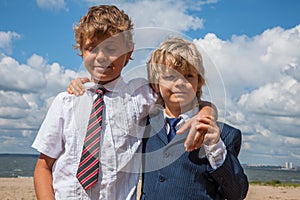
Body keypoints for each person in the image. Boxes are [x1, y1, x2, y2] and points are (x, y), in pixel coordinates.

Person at [32, 5, 216, 200]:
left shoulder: (140, 95)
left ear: (129, 53)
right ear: (81, 50)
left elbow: (181, 95)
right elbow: (43, 167)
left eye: (111, 49)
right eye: (91, 48)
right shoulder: (66, 102)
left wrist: (206, 114)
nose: (101, 56)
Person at [140, 37, 248, 199]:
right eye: (170, 77)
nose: (180, 83)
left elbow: (237, 193)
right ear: (156, 84)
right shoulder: (143, 124)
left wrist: (215, 145)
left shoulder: (224, 134)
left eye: (189, 76)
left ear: (199, 82)